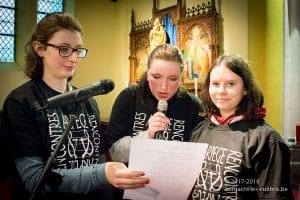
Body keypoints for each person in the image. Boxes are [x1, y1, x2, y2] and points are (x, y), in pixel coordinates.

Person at [2, 12, 149, 200]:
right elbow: (34, 179)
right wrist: (102, 173)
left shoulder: (88, 102)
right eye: (64, 49)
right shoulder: (21, 102)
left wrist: (107, 177)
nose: (73, 58)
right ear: (39, 48)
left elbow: (99, 162)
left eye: (78, 50)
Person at [189, 54, 293, 199]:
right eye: (215, 84)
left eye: (230, 84)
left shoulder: (265, 139)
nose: (221, 91)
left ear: (246, 89)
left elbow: (274, 196)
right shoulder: (200, 130)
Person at [106, 43, 204, 163]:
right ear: (147, 73)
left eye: (173, 79)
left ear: (180, 77)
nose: (164, 87)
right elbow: (115, 152)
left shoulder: (192, 105)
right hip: (133, 178)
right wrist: (147, 136)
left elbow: (198, 156)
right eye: (156, 77)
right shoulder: (128, 97)